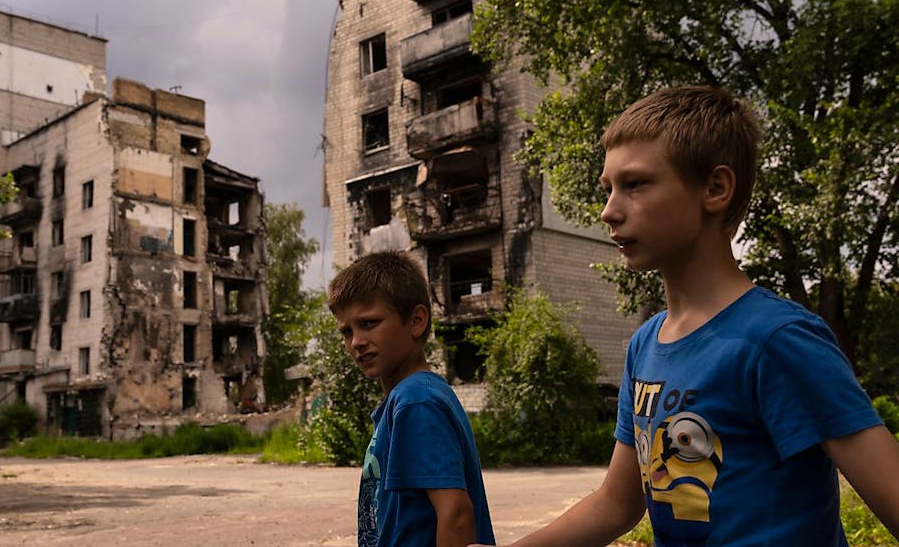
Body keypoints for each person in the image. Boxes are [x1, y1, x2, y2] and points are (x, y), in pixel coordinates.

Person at [473, 85, 899, 547]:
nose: (609, 210)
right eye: (609, 188)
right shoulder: (645, 344)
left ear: (715, 188)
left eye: (635, 184)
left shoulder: (778, 339)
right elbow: (617, 503)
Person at [328, 251, 495, 547]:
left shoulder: (417, 400)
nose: (356, 342)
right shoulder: (408, 399)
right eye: (346, 331)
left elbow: (456, 516)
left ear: (416, 320)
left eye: (369, 323)